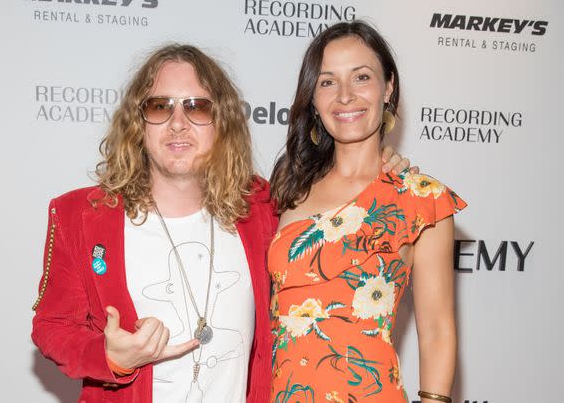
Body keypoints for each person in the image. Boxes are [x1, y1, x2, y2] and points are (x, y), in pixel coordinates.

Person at [31, 44, 412, 403]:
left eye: (197, 107)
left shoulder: (262, 206)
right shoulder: (81, 215)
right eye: (160, 106)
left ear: (222, 121)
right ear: (138, 121)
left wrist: (378, 166)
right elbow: (51, 327)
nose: (178, 123)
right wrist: (110, 355)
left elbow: (335, 200)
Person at [269, 21, 466, 403]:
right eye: (327, 82)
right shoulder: (288, 189)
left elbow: (438, 329)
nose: (345, 96)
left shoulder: (421, 199)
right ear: (312, 96)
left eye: (361, 77)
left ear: (388, 87)